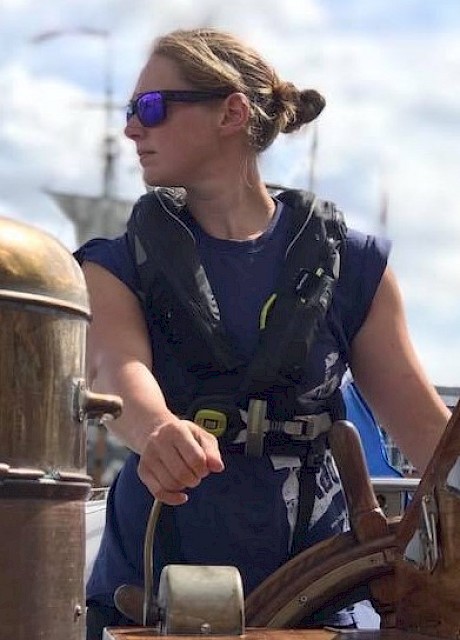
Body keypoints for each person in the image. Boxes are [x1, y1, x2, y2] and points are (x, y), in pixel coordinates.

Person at [75, 27, 450, 640]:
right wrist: (158, 429)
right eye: (130, 111)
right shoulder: (113, 264)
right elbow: (117, 372)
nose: (131, 129)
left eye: (150, 108)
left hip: (323, 587)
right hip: (150, 588)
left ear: (231, 112)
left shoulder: (354, 266)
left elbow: (430, 436)